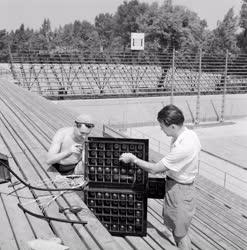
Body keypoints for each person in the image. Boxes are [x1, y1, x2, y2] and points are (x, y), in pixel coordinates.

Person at [120, 104, 201, 250]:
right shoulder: (187, 134)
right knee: (177, 229)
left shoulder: (184, 146)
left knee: (180, 234)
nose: (161, 129)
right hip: (176, 186)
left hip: (180, 191)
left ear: (173, 126)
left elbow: (155, 169)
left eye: (162, 126)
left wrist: (134, 159)